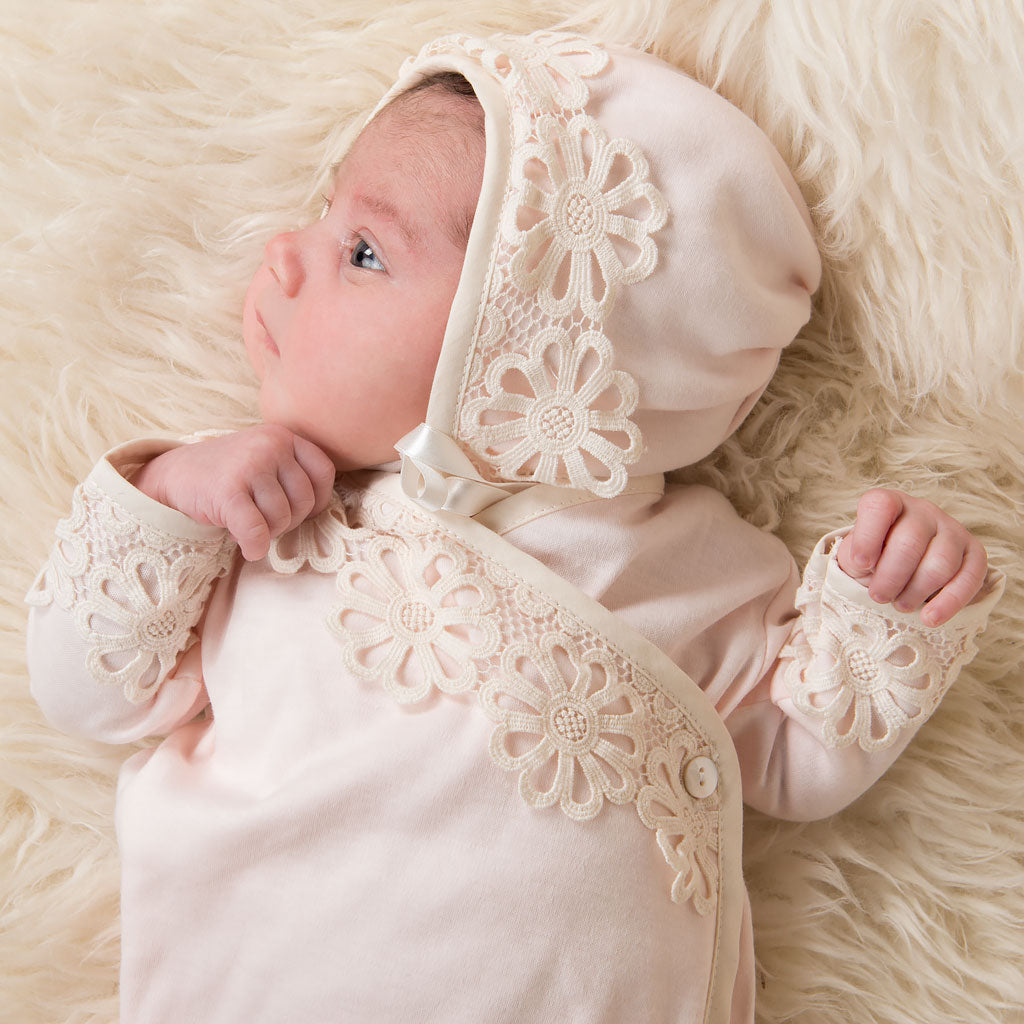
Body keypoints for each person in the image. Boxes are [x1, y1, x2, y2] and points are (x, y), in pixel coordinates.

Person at [25, 30, 1004, 1024]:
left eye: (362, 251)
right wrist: (173, 497)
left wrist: (885, 618)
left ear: (529, 340)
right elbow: (84, 691)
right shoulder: (263, 513)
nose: (285, 257)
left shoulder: (689, 564)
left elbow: (789, 761)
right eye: (326, 222)